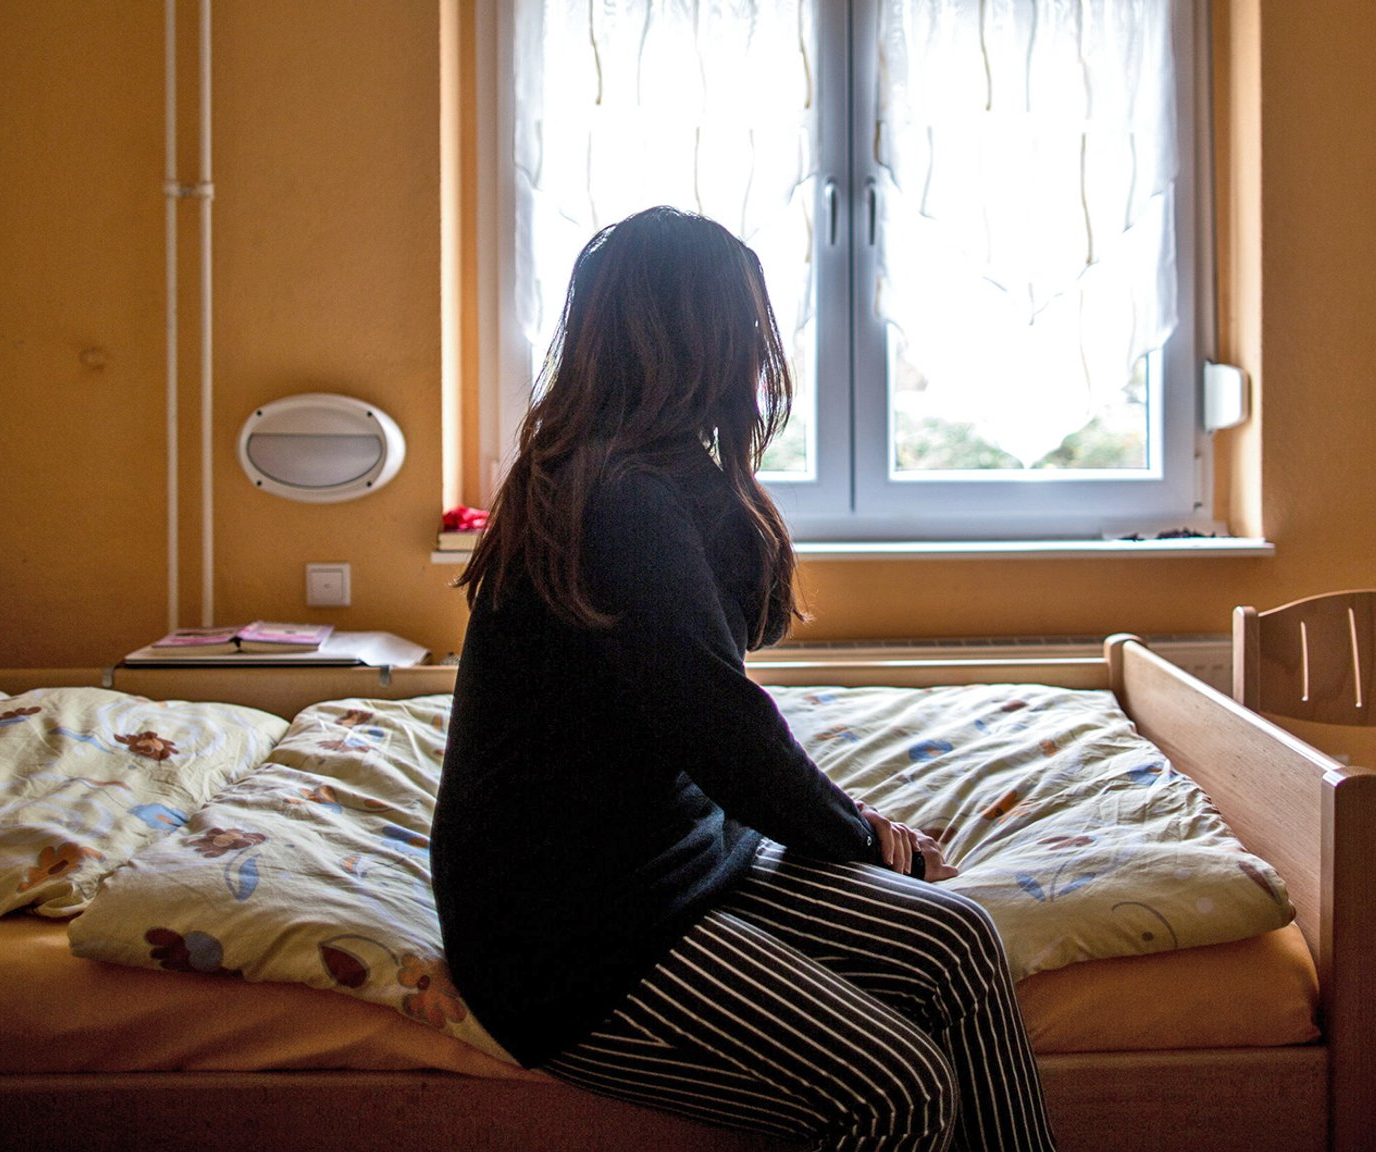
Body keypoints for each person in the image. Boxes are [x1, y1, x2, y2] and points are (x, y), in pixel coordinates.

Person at [430, 206, 1055, 1151]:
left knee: (955, 942)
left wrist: (720, 470)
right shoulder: (617, 498)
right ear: (703, 338)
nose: (765, 354)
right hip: (580, 935)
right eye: (748, 327)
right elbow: (723, 724)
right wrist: (859, 836)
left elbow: (744, 634)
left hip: (678, 859)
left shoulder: (634, 473)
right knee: (899, 1088)